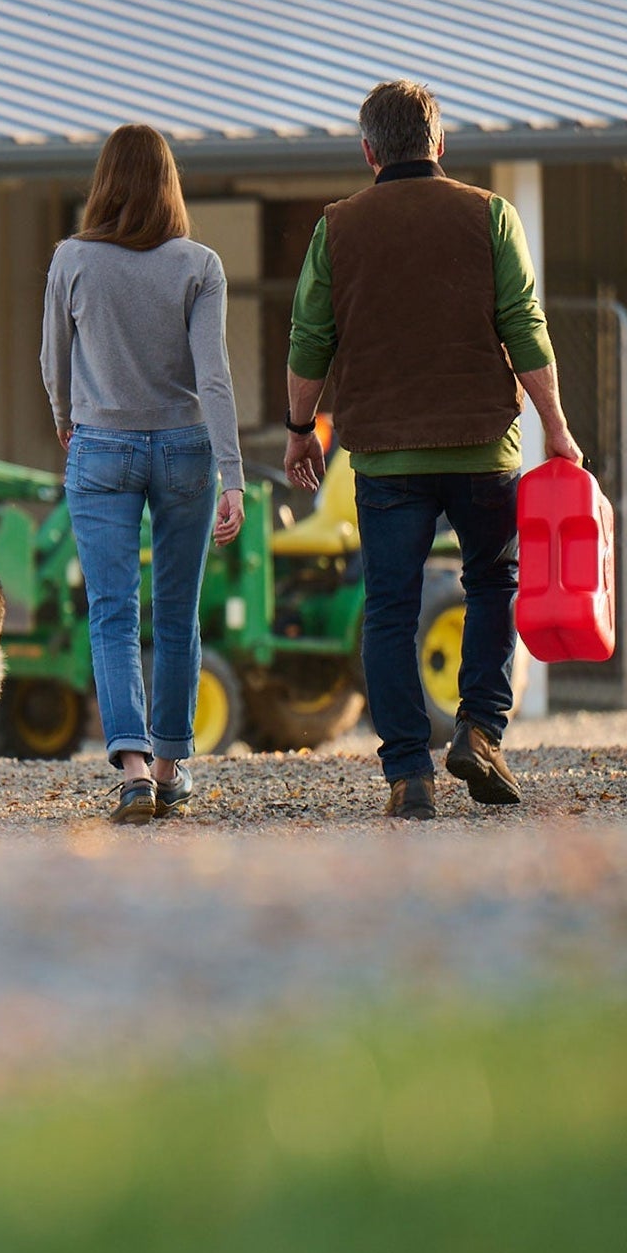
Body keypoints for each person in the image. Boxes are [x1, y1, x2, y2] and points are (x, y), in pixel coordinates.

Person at [283, 80, 582, 820]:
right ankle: (479, 731)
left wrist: (299, 428)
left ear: (369, 152)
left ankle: (408, 775)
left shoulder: (337, 228)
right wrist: (556, 426)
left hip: (385, 454)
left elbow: (310, 337)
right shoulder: (490, 214)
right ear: (439, 144)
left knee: (389, 607)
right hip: (483, 445)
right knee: (492, 582)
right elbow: (524, 325)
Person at [41, 124, 245, 824]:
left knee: (112, 610)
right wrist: (233, 474)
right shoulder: (200, 265)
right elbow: (214, 378)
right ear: (169, 186)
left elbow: (53, 359)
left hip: (100, 445)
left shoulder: (71, 259)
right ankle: (169, 767)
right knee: (178, 611)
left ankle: (131, 771)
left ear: (103, 184)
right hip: (187, 448)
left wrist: (66, 417)